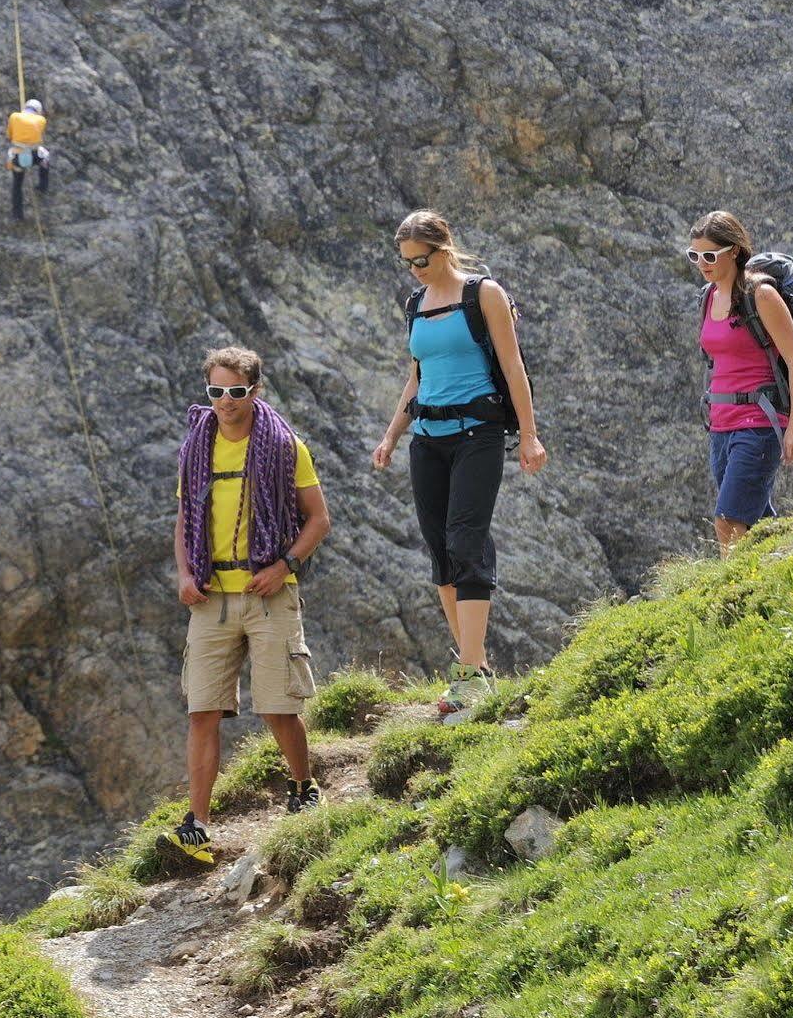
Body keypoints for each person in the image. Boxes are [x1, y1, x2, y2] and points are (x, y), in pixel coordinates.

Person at [371, 210, 546, 710]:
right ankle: (477, 667)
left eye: (422, 259)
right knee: (441, 552)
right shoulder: (415, 303)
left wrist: (529, 437)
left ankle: (468, 674)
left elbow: (514, 368)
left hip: (479, 433)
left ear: (445, 249)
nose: (415, 269)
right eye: (407, 263)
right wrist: (391, 436)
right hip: (427, 438)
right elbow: (417, 376)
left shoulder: (483, 294)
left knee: (467, 540)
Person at [166, 346, 332, 864]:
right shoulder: (196, 449)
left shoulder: (286, 448)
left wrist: (284, 565)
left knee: (278, 707)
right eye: (216, 392)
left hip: (268, 594)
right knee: (202, 711)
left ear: (255, 391)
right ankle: (197, 825)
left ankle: (304, 787)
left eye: (236, 392)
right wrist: (185, 573)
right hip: (211, 598)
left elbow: (318, 520)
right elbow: (184, 520)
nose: (225, 402)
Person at [690, 210, 793, 555]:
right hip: (721, 425)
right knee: (756, 523)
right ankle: (781, 578)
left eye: (710, 255)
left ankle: (733, 600)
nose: (702, 263)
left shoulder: (761, 295)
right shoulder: (708, 297)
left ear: (734, 251)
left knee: (728, 521)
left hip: (758, 422)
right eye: (694, 255)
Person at [5, 98, 51, 222]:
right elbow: (38, 136)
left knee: (17, 185)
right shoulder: (41, 120)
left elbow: (9, 135)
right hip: (34, 156)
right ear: (38, 111)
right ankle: (42, 187)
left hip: (18, 157)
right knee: (45, 158)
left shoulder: (14, 116)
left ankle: (17, 215)